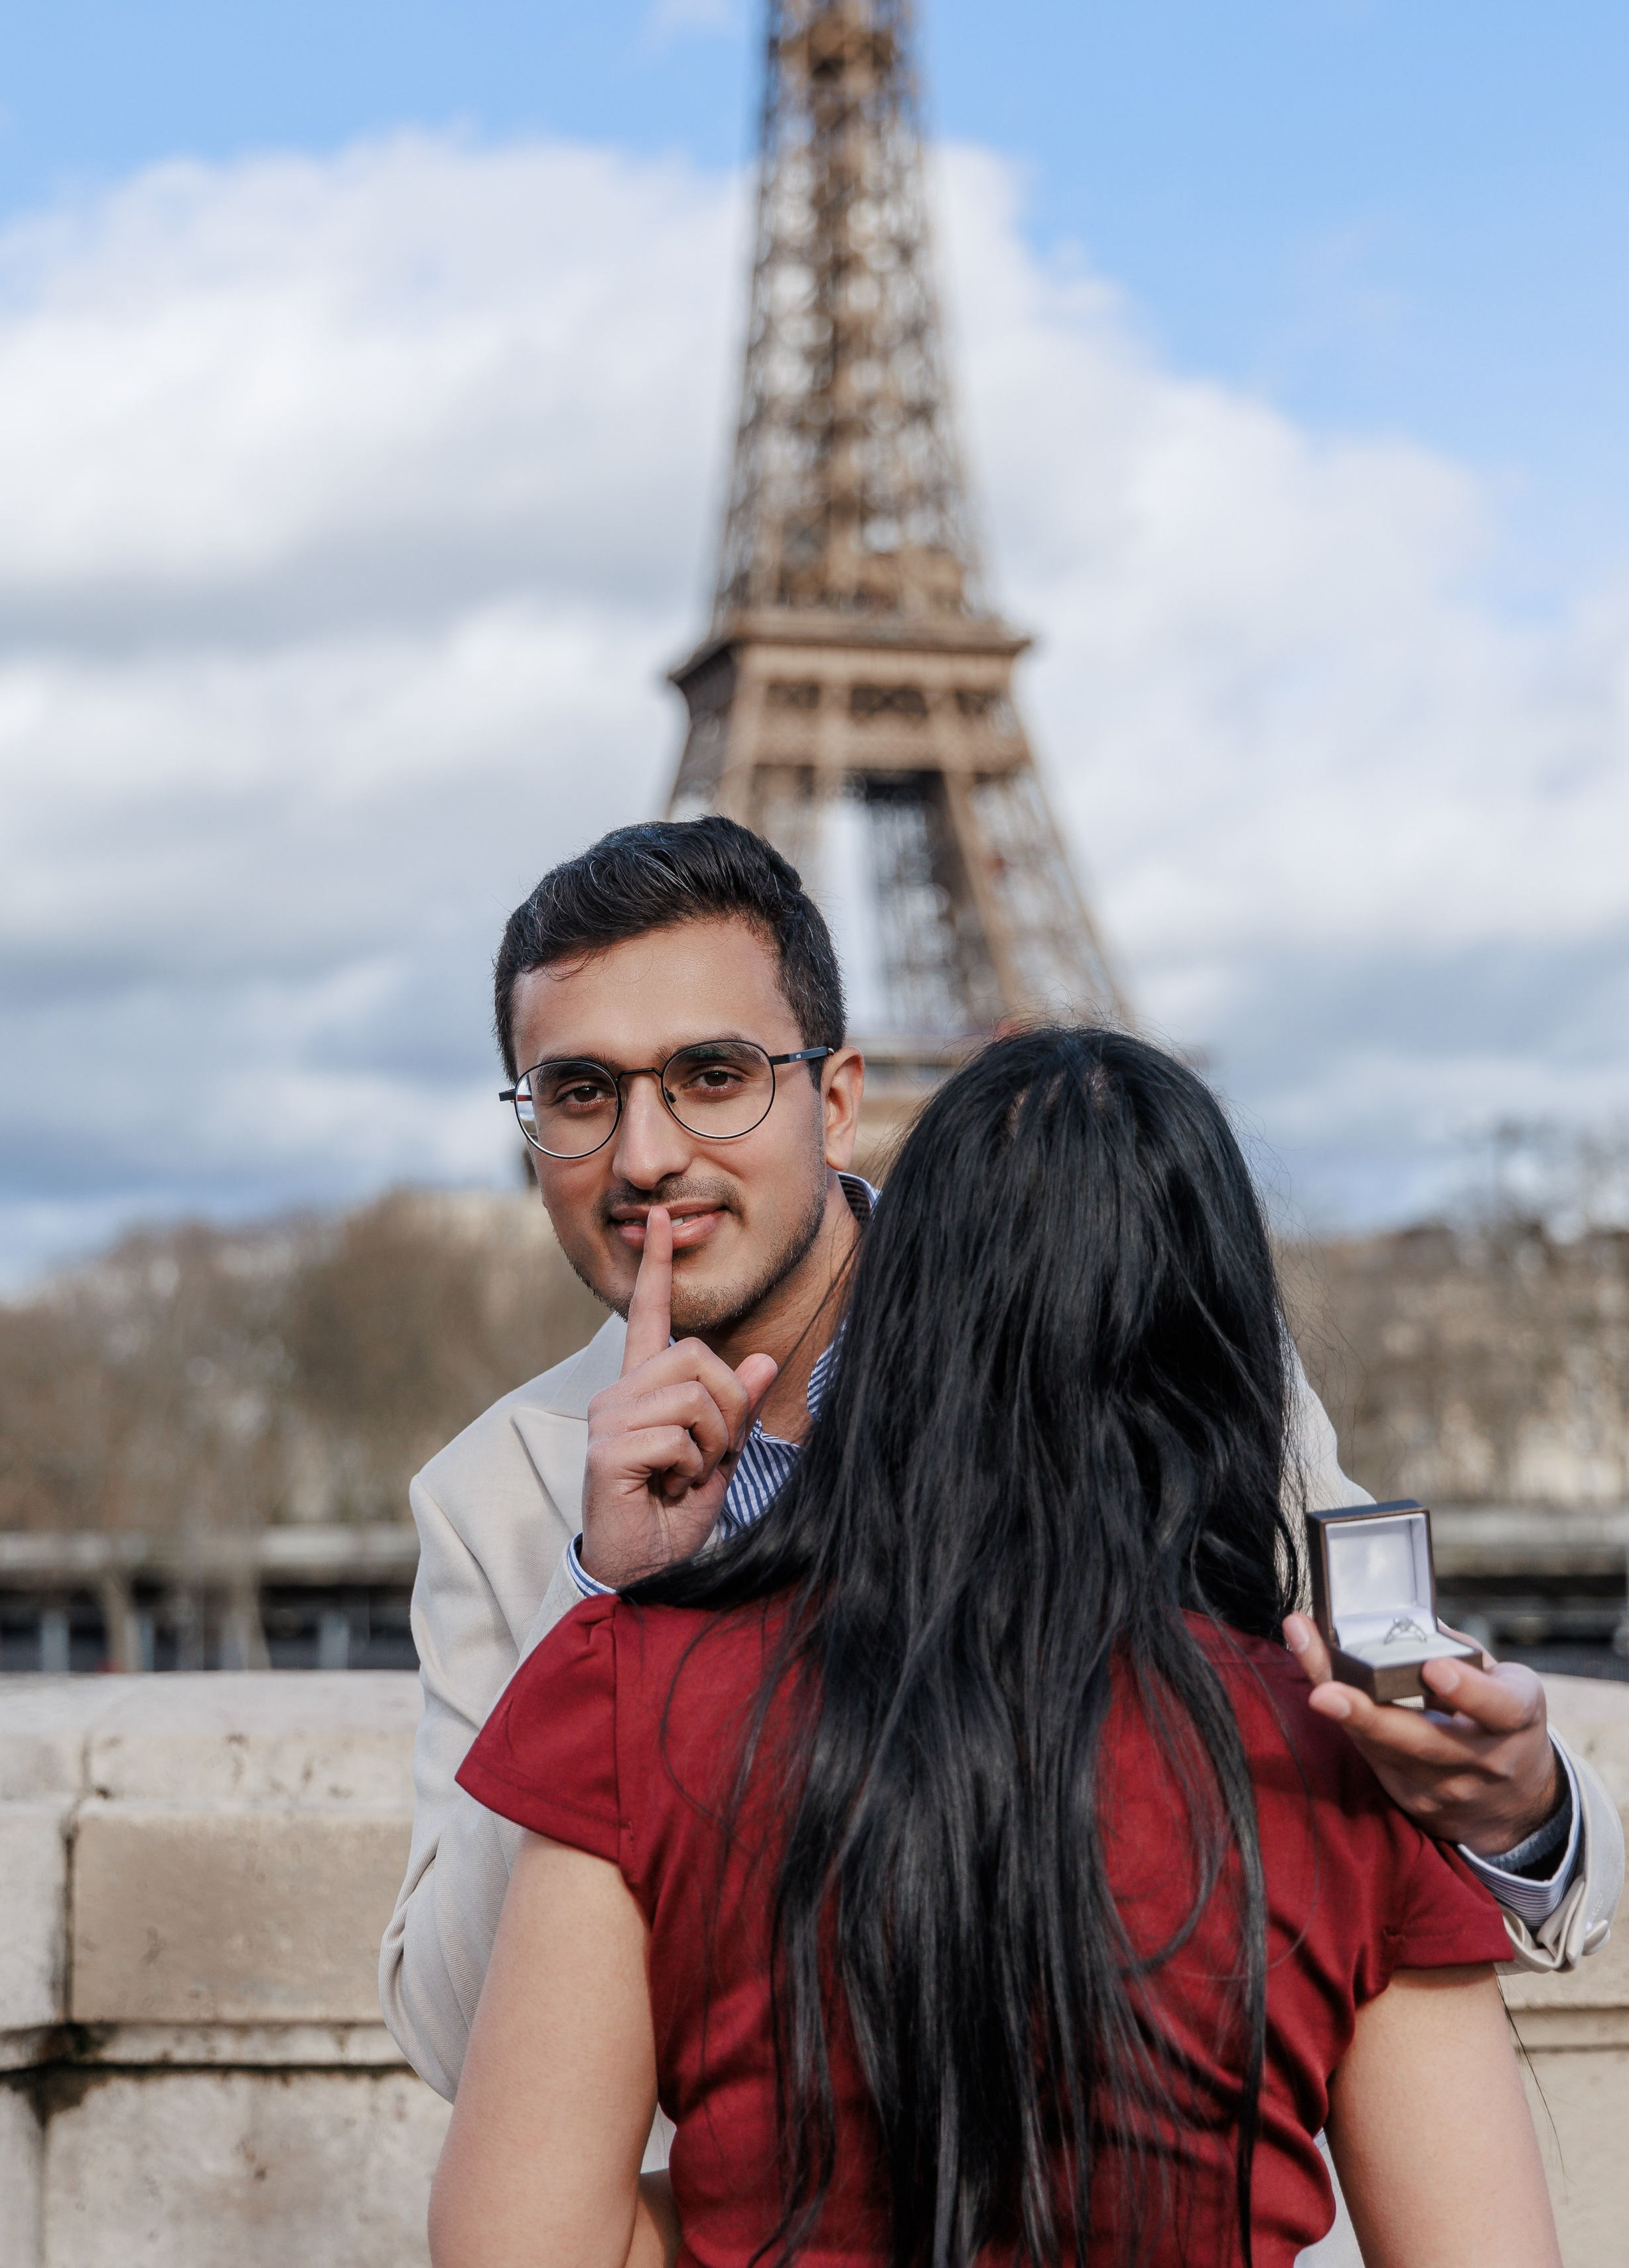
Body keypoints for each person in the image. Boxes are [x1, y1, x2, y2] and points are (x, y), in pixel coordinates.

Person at [381, 819, 1619, 2105]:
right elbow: (458, 2043)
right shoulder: (496, 1502)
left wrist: (1520, 1804)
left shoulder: (1133, 1338)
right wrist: (597, 1604)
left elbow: (1419, 1772)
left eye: (710, 1074)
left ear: (840, 1100)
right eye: (579, 1094)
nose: (642, 1156)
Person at [430, 1027, 1561, 2268]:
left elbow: (521, 2247)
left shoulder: (630, 1693)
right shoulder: (1350, 1755)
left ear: (896, 1315)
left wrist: (745, 2204)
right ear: (1231, 1344)